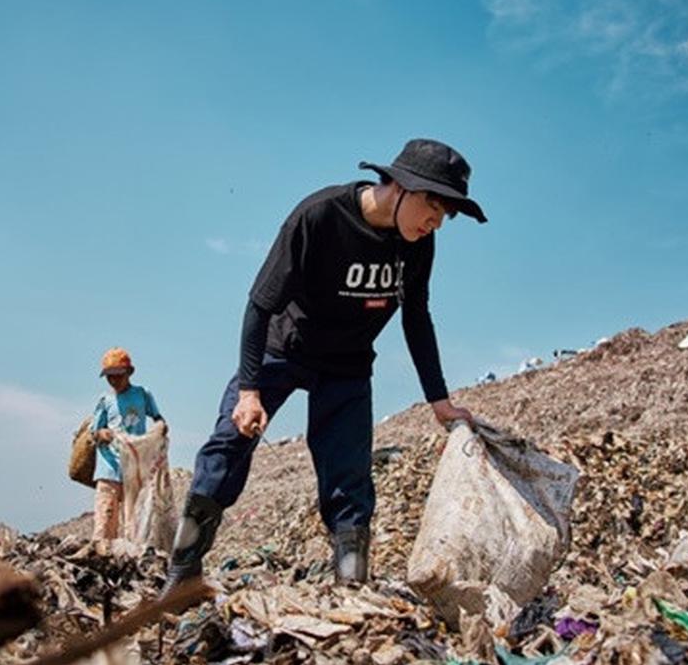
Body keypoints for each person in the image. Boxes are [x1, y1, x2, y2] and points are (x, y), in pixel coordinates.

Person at [164, 138, 486, 590]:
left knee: (349, 479)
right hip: (284, 347)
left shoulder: (418, 244)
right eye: (433, 205)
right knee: (229, 443)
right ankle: (182, 573)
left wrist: (439, 401)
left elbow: (416, 318)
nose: (436, 221)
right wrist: (250, 392)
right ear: (400, 186)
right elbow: (259, 305)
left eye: (446, 214)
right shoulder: (319, 215)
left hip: (347, 365)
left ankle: (350, 588)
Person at [88, 347, 167, 544]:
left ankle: (131, 556)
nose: (114, 381)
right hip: (109, 468)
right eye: (110, 377)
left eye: (118, 376)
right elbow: (93, 433)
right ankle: (102, 555)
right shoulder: (105, 401)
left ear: (129, 373)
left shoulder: (142, 394)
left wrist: (160, 428)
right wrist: (102, 434)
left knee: (134, 523)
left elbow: (158, 418)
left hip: (135, 469)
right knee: (105, 519)